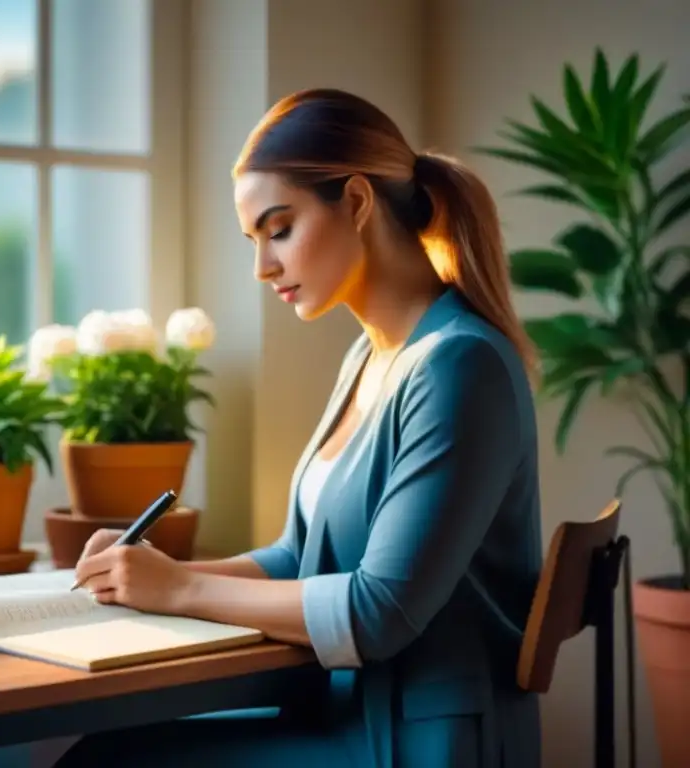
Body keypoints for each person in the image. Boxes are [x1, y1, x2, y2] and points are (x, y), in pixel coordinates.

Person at [55, 88, 544, 768]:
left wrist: (181, 590)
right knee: (106, 751)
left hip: (414, 741)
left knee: (105, 762)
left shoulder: (461, 366)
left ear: (356, 202)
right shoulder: (369, 356)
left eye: (279, 229)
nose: (263, 267)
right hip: (341, 709)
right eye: (254, 239)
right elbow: (301, 556)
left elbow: (380, 612)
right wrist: (152, 574)